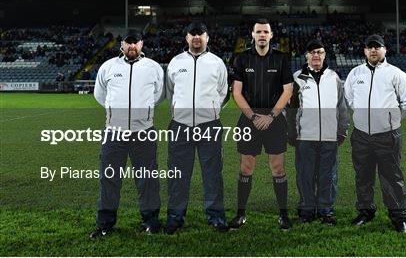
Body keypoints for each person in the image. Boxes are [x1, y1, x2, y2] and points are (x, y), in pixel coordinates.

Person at [91, 28, 164, 238]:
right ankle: (105, 223)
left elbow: (158, 96)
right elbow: (100, 95)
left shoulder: (153, 68)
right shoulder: (108, 67)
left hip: (143, 132)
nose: (132, 46)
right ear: (121, 44)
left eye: (136, 42)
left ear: (141, 44)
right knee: (109, 178)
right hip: (114, 132)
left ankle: (150, 221)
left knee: (147, 179)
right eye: (128, 42)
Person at [344, 34, 406, 233]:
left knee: (392, 177)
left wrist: (391, 121)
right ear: (365, 51)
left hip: (387, 135)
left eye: (377, 47)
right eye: (369, 47)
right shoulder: (355, 73)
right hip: (361, 136)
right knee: (363, 176)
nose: (373, 50)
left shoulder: (396, 74)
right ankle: (366, 212)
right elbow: (349, 99)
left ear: (385, 50)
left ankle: (398, 217)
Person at [229, 19, 294, 230]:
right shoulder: (241, 58)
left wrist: (271, 116)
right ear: (253, 34)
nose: (263, 35)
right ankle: (241, 214)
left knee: (278, 168)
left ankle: (283, 214)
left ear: (272, 35)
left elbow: (288, 91)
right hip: (249, 120)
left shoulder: (282, 58)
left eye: (266, 31)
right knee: (246, 168)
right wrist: (253, 117)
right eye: (259, 32)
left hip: (274, 120)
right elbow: (236, 93)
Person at [164, 23, 229, 233]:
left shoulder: (217, 63)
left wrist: (211, 110)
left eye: (200, 34)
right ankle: (175, 217)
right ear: (186, 38)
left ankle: (216, 216)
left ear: (207, 37)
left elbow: (223, 91)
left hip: (209, 125)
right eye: (192, 34)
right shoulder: (175, 62)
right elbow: (170, 91)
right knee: (178, 174)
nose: (196, 38)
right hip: (180, 126)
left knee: (213, 173)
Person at [287, 39, 349, 225]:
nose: (316, 55)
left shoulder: (334, 77)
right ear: (306, 56)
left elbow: (342, 108)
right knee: (305, 175)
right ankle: (306, 210)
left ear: (324, 55)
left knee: (328, 175)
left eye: (319, 52)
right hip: (305, 136)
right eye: (312, 52)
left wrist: (342, 130)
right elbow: (289, 110)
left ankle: (326, 210)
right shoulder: (297, 77)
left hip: (330, 137)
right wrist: (291, 132)